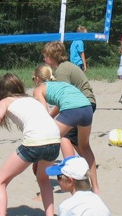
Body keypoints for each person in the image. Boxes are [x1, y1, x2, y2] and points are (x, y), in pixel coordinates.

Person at [0, 73, 62, 216]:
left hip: (34, 143)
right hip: (55, 140)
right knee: (43, 180)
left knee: (0, 181)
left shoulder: (5, 101)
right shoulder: (32, 100)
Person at [32, 64, 100, 193]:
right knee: (85, 147)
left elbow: (43, 115)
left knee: (48, 142)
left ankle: (44, 191)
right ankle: (96, 188)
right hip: (87, 108)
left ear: (36, 79)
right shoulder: (61, 84)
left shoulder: (38, 89)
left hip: (72, 110)